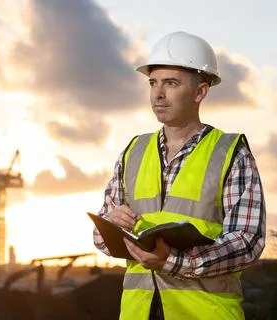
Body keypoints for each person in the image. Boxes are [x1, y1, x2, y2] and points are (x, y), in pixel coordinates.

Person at [93, 31, 266, 320]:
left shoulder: (230, 153)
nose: (158, 94)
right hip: (139, 313)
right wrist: (110, 225)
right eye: (153, 83)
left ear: (200, 92)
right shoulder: (133, 152)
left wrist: (173, 261)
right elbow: (100, 238)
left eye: (171, 83)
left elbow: (247, 242)